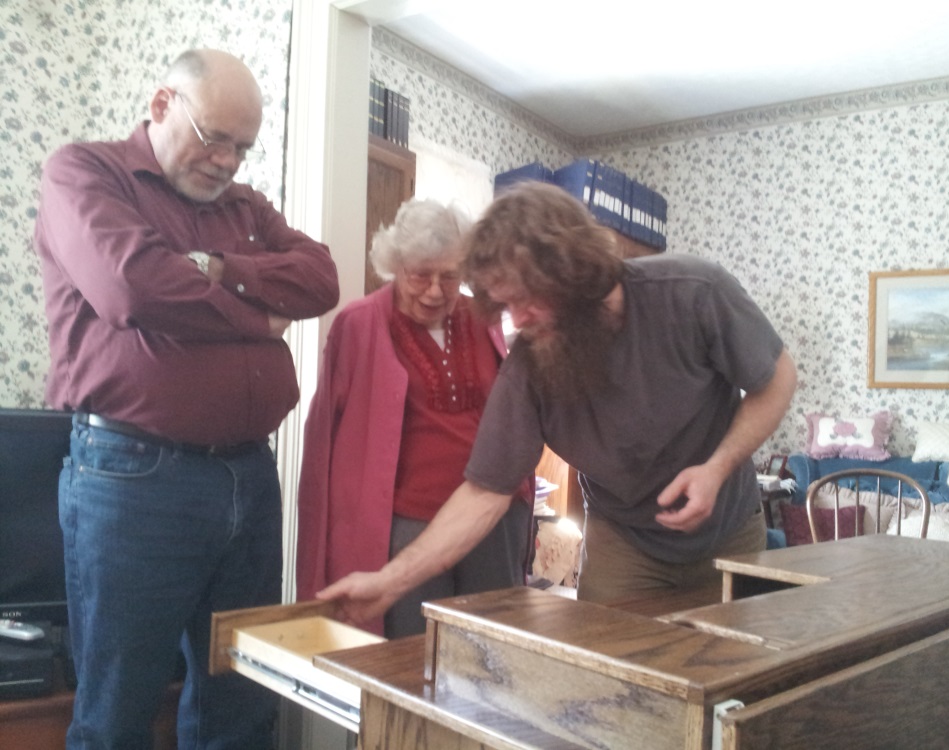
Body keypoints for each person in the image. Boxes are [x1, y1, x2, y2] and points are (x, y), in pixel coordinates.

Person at [33, 49, 339, 749]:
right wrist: (260, 318)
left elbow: (319, 279)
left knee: (243, 701)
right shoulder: (85, 172)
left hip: (249, 477)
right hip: (132, 476)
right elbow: (131, 288)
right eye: (215, 137)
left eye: (243, 147)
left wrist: (214, 270)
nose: (228, 161)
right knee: (117, 712)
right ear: (163, 103)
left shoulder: (244, 208)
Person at [318, 180, 797, 624]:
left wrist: (717, 467)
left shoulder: (694, 292)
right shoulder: (530, 364)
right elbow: (485, 492)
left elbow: (776, 380)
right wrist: (388, 582)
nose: (518, 320)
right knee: (612, 681)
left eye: (529, 299)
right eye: (505, 305)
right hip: (624, 538)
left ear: (576, 269)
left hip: (730, 530)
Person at [296, 198, 533, 638]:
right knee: (413, 653)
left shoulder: (480, 316)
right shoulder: (359, 324)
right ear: (395, 265)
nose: (435, 291)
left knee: (491, 648)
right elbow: (326, 439)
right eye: (420, 274)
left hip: (490, 515)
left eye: (450, 275)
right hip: (406, 523)